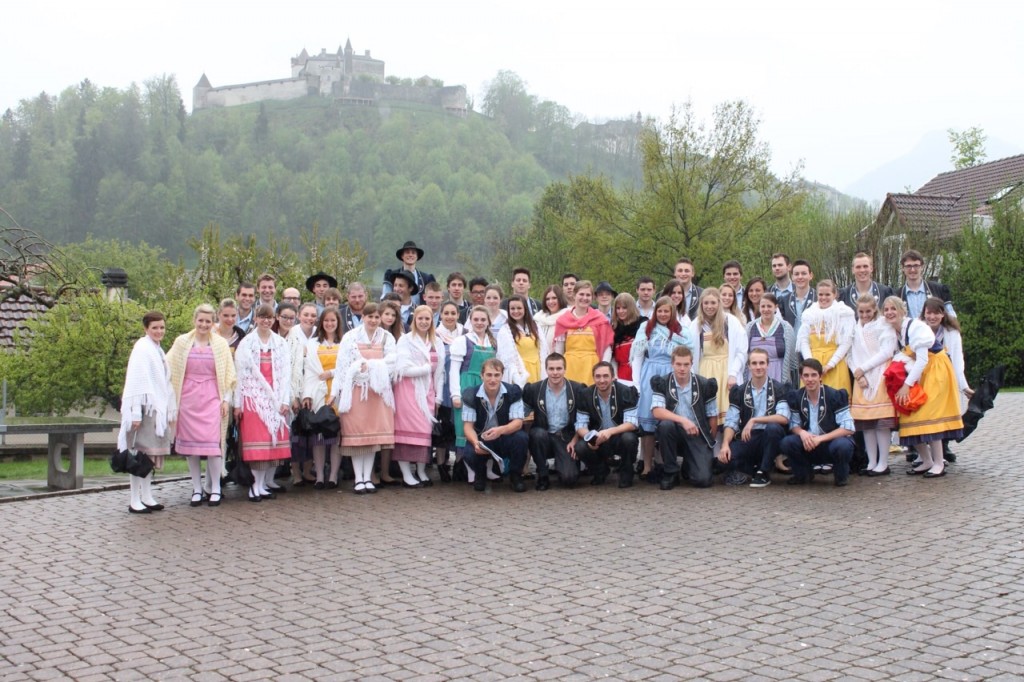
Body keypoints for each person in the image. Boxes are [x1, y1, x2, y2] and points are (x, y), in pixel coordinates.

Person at [882, 296, 964, 477]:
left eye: (893, 309)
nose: (890, 313)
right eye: (886, 309)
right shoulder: (895, 330)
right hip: (920, 372)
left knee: (930, 415)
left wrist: (906, 385)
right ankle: (926, 459)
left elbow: (922, 360)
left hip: (935, 371)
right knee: (908, 416)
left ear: (902, 311)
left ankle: (939, 463)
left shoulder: (916, 328)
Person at [167, 304, 236, 507]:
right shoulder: (181, 342)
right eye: (201, 320)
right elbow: (168, 367)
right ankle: (196, 489)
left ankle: (215, 488)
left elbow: (229, 375)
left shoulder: (221, 344)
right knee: (192, 448)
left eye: (208, 321)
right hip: (188, 399)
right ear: (194, 320)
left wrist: (226, 400)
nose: (204, 325)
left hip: (212, 397)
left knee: (214, 445)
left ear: (213, 322)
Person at [334, 302, 397, 493]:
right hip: (355, 391)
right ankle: (358, 479)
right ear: (363, 317)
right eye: (370, 317)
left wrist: (370, 366)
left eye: (377, 317)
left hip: (377, 392)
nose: (373, 320)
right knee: (358, 437)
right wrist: (359, 369)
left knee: (372, 439)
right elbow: (343, 364)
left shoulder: (387, 337)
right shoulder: (350, 336)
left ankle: (368, 477)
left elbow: (393, 361)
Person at [118, 311, 176, 514]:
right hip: (142, 410)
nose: (159, 331)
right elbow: (135, 383)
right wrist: (135, 414)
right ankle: (134, 499)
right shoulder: (142, 348)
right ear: (146, 328)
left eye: (162, 327)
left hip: (155, 410)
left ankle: (147, 495)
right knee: (138, 454)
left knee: (148, 456)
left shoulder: (158, 349)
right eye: (155, 328)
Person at [233, 304, 292, 502]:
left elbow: (286, 375)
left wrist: (284, 400)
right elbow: (240, 376)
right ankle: (254, 486)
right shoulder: (247, 343)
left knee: (270, 444)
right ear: (256, 319)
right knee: (256, 444)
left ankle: (262, 485)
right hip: (253, 399)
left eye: (269, 318)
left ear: (274, 319)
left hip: (275, 399)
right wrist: (238, 403)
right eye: (262, 317)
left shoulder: (280, 343)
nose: (266, 321)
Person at [630, 296, 692, 479]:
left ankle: (666, 463)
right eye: (660, 311)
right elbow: (638, 357)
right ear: (655, 312)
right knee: (648, 424)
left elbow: (688, 357)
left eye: (667, 311)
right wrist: (637, 383)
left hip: (673, 375)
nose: (663, 314)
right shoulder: (646, 329)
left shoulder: (682, 332)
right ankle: (647, 465)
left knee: (667, 423)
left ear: (672, 312)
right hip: (650, 375)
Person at [718, 349, 790, 488]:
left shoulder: (779, 388)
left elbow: (783, 418)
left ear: (768, 365)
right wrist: (725, 444)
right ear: (749, 366)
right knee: (723, 461)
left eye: (762, 363)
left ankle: (764, 472)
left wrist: (754, 420)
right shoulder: (739, 391)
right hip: (749, 437)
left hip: (771, 437)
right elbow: (731, 422)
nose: (758, 367)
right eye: (754, 363)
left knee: (773, 428)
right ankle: (754, 468)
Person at [651, 346, 719, 490]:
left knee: (703, 480)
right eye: (678, 364)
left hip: (697, 434)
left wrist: (708, 444)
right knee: (665, 426)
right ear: (672, 364)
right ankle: (670, 473)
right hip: (674, 431)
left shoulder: (705, 384)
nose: (682, 368)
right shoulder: (662, 383)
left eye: (686, 364)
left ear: (691, 364)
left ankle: (689, 464)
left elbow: (712, 416)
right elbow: (657, 411)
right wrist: (683, 420)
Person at [779, 359, 855, 486]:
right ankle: (804, 474)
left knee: (843, 445)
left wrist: (820, 439)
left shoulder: (834, 395)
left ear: (820, 376)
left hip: (831, 443)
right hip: (808, 444)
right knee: (787, 442)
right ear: (801, 377)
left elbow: (848, 428)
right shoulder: (797, 397)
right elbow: (793, 424)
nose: (810, 379)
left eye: (814, 375)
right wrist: (802, 433)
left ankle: (841, 475)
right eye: (806, 375)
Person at [392, 305, 445, 488]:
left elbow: (440, 371)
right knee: (406, 431)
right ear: (414, 320)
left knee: (424, 432)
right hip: (408, 390)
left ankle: (421, 472)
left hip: (428, 391)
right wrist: (424, 369)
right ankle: (407, 474)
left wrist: (438, 396)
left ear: (432, 321)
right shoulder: (406, 340)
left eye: (427, 319)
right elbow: (402, 368)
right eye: (420, 319)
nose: (423, 322)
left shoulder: (436, 341)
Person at [847, 294, 898, 476]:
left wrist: (864, 368)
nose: (865, 314)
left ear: (874, 309)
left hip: (879, 374)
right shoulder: (855, 328)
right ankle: (871, 461)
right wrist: (857, 372)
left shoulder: (883, 325)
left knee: (881, 423)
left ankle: (883, 462)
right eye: (861, 311)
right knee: (866, 424)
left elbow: (887, 351)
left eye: (868, 311)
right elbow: (850, 353)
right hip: (861, 377)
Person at [460, 358, 529, 493]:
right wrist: (475, 443)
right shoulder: (470, 394)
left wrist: (501, 430)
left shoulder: (513, 392)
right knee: (469, 451)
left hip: (505, 436)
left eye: (497, 375)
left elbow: (518, 422)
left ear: (502, 376)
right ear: (482, 376)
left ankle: (516, 476)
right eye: (489, 375)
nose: (493, 379)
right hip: (482, 438)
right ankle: (480, 475)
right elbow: (468, 426)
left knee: (521, 438)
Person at [522, 353, 590, 490]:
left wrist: (575, 439)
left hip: (567, 438)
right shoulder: (533, 389)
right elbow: (521, 414)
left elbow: (584, 420)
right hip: (544, 436)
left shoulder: (578, 389)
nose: (555, 373)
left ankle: (562, 464)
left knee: (569, 479)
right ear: (546, 370)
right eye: (551, 369)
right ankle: (542, 474)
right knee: (536, 434)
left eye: (559, 369)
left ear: (565, 369)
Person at [921, 296, 974, 462]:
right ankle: (924, 452)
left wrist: (964, 387)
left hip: (946, 380)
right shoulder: (919, 329)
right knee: (927, 416)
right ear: (924, 314)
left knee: (944, 415)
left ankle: (943, 448)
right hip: (926, 379)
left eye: (936, 313)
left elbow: (958, 361)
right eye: (929, 313)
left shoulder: (952, 333)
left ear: (943, 314)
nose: (932, 317)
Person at [574, 361, 640, 488]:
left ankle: (626, 471)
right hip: (598, 437)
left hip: (619, 436)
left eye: (605, 376)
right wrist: (591, 439)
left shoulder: (626, 391)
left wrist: (610, 431)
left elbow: (632, 424)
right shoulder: (585, 394)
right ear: (593, 378)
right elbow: (580, 425)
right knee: (581, 447)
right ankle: (600, 470)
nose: (602, 380)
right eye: (598, 376)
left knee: (629, 438)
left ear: (613, 377)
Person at [301, 307, 343, 489]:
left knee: (337, 436)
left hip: (339, 394)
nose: (329, 324)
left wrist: (331, 373)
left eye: (333, 320)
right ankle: (319, 475)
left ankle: (333, 475)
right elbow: (309, 372)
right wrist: (307, 394)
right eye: (326, 320)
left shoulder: (345, 343)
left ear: (338, 322)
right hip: (318, 393)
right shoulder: (313, 344)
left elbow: (349, 367)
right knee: (319, 436)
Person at [689, 287, 748, 416]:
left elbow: (741, 351)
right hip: (705, 371)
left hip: (727, 370)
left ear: (719, 303)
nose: (709, 306)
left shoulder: (731, 322)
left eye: (713, 303)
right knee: (709, 412)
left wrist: (733, 373)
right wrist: (694, 377)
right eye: (706, 303)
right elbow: (691, 354)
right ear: (701, 304)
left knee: (729, 411)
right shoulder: (695, 325)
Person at [797, 279, 855, 395]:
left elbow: (846, 342)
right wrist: (811, 364)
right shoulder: (809, 314)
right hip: (813, 363)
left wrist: (830, 364)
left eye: (827, 294)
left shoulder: (844, 313)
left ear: (835, 295)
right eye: (821, 294)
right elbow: (804, 341)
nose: (823, 297)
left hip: (835, 364)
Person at [554, 280, 613, 385]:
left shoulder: (600, 319)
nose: (584, 298)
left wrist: (603, 369)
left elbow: (607, 348)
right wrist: (558, 370)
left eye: (588, 295)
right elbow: (559, 350)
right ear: (574, 295)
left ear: (592, 297)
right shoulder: (563, 320)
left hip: (592, 367)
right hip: (570, 367)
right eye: (581, 294)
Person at [433, 301, 466, 481]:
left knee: (460, 427)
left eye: (453, 313)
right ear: (441, 314)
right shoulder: (435, 335)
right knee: (444, 427)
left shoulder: (465, 334)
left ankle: (460, 463)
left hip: (461, 386)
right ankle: (441, 464)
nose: (450, 316)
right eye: (446, 313)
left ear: (458, 315)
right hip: (443, 387)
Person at [287, 302, 319, 486]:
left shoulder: (317, 334)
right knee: (296, 433)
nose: (309, 318)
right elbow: (289, 367)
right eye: (306, 314)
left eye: (313, 315)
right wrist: (293, 396)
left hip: (313, 388)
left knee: (310, 430)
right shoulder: (292, 335)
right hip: (295, 387)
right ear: (299, 315)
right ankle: (296, 472)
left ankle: (308, 469)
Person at [746, 293, 796, 385]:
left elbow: (792, 358)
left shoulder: (785, 327)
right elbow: (745, 352)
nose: (766, 309)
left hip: (779, 372)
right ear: (759, 307)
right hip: (754, 373)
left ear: (775, 307)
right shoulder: (750, 327)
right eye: (763, 306)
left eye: (769, 306)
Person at [899, 249, 955, 320]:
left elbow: (952, 316)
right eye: (908, 266)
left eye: (916, 265)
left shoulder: (939, 289)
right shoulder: (897, 295)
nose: (912, 270)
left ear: (922, 267)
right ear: (902, 268)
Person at [382, 240, 435, 306]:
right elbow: (384, 299)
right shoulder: (391, 275)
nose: (410, 255)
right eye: (407, 252)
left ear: (417, 256)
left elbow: (433, 299)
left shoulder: (427, 278)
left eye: (413, 253)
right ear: (402, 256)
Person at [508, 294, 546, 384]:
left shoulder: (535, 326)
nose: (516, 311)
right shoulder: (506, 330)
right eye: (512, 308)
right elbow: (507, 357)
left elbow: (543, 350)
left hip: (537, 369)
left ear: (525, 308)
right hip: (520, 371)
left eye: (519, 308)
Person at [610, 292, 645, 387]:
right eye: (618, 308)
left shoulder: (643, 325)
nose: (621, 311)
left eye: (624, 308)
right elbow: (613, 357)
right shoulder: (614, 329)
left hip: (640, 371)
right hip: (622, 374)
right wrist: (615, 375)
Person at [779, 259, 815, 332]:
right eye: (796, 274)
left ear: (810, 276)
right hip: (790, 342)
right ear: (792, 277)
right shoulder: (783, 301)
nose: (800, 277)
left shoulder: (819, 299)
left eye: (804, 273)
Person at [534, 285, 569, 353]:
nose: (550, 301)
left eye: (554, 298)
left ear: (560, 299)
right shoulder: (538, 319)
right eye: (547, 299)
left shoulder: (567, 318)